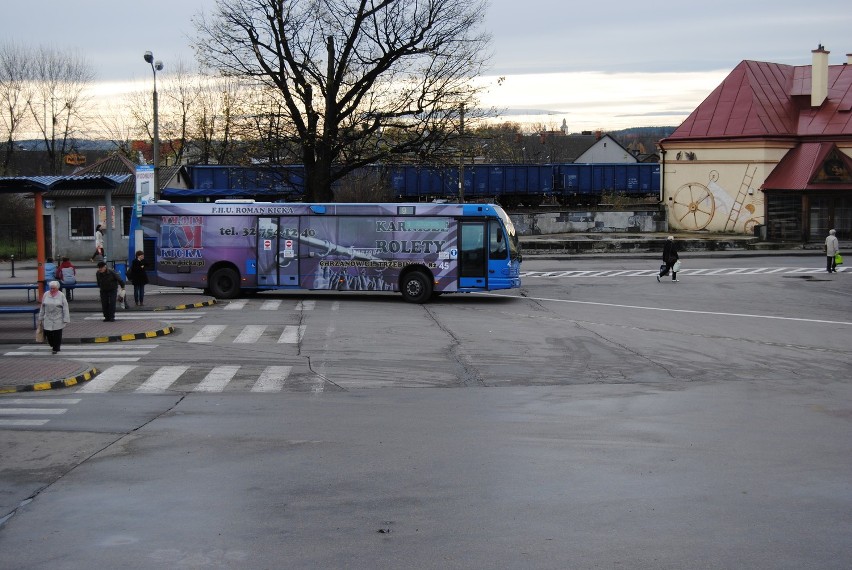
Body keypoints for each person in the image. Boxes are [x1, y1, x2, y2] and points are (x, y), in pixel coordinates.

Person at [37, 280, 71, 355]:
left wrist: (66, 318)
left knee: (57, 333)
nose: (52, 290)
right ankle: (52, 344)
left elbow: (65, 307)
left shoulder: (61, 295)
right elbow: (42, 307)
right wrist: (40, 317)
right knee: (48, 332)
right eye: (51, 288)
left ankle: (56, 348)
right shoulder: (46, 294)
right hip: (48, 317)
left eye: (54, 288)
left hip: (58, 317)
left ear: (57, 288)